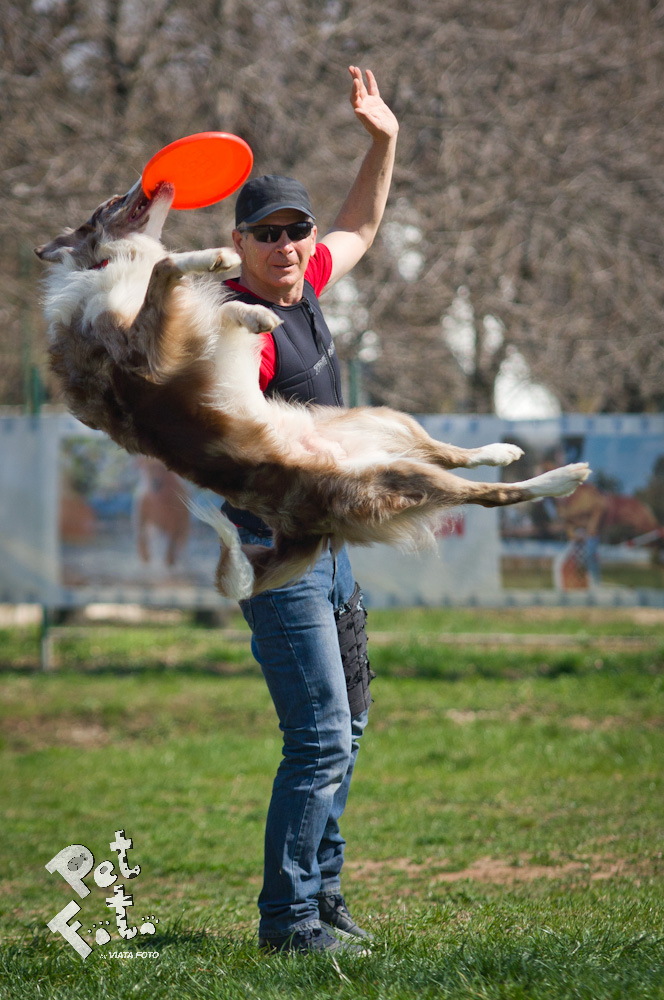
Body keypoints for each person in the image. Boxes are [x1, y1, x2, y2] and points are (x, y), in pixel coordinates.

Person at [222, 65, 399, 954]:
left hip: (333, 555)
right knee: (320, 737)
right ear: (239, 242)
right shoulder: (240, 325)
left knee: (351, 727)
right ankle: (288, 921)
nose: (287, 245)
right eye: (268, 233)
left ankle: (323, 899)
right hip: (281, 556)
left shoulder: (309, 284)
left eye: (296, 230)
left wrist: (383, 140)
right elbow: (235, 442)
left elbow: (363, 224)